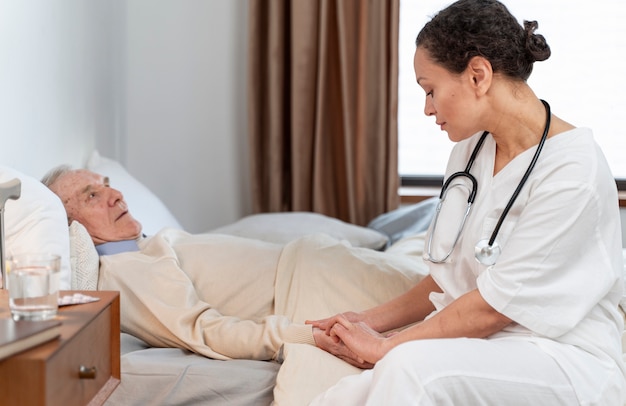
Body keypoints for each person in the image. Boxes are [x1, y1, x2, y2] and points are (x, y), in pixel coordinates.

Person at [308, 0, 626, 404]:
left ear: (478, 75)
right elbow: (450, 278)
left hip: (561, 357)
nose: (427, 108)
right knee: (337, 399)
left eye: (430, 90)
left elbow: (493, 308)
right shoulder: (470, 150)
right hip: (483, 344)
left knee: (408, 369)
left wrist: (387, 346)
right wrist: (363, 322)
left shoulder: (574, 171)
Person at [41, 166, 427, 361]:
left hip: (321, 266)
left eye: (107, 183)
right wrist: (307, 337)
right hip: (315, 286)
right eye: (92, 195)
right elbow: (205, 331)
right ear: (70, 226)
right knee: (454, 304)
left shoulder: (139, 247)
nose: (114, 194)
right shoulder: (124, 270)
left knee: (449, 294)